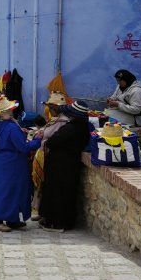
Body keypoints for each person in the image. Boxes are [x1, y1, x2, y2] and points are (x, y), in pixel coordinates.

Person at [38, 99, 93, 232]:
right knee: (68, 193)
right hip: (71, 164)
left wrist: (46, 141)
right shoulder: (84, 127)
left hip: (60, 165)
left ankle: (57, 223)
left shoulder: (70, 128)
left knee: (57, 192)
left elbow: (53, 141)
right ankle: (67, 222)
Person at [0, 97, 41, 232]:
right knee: (8, 191)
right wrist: (37, 141)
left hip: (2, 161)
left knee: (8, 190)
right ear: (8, 111)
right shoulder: (11, 127)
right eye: (11, 110)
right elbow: (23, 147)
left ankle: (12, 220)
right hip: (12, 163)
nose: (12, 112)